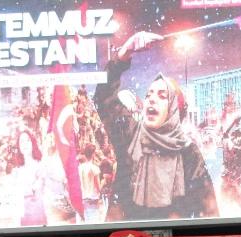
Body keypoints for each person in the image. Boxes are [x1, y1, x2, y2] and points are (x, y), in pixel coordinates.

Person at [92, 31, 219, 222]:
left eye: (162, 95)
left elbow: (209, 212)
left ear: (176, 111)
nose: (151, 99)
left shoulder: (188, 152)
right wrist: (123, 55)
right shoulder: (130, 134)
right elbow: (104, 98)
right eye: (150, 94)